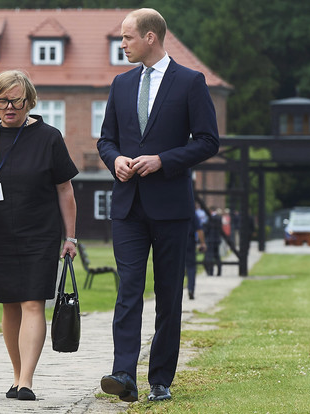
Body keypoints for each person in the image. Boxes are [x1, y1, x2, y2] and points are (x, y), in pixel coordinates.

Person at [96, 8, 219, 403]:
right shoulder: (121, 84)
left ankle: (160, 380)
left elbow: (207, 141)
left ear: (151, 37)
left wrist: (163, 160)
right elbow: (106, 140)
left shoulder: (190, 82)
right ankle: (123, 374)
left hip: (171, 205)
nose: (122, 44)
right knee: (128, 289)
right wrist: (114, 159)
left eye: (127, 37)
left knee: (168, 294)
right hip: (128, 207)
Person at [0, 70, 78, 401]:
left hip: (41, 233)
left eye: (16, 101)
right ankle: (15, 374)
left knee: (32, 303)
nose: (9, 107)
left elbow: (65, 189)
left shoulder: (49, 137)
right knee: (10, 306)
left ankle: (26, 380)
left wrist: (71, 238)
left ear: (29, 100)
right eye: (1, 101)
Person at [185, 206, 206, 300]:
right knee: (191, 267)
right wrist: (202, 243)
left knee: (176, 267)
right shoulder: (192, 213)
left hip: (177, 240)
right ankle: (191, 289)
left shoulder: (175, 209)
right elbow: (199, 229)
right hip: (189, 240)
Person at [204, 208, 223, 276]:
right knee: (217, 256)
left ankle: (210, 271)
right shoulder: (219, 218)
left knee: (210, 256)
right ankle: (219, 271)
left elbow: (206, 230)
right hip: (217, 240)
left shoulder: (210, 218)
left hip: (210, 240)